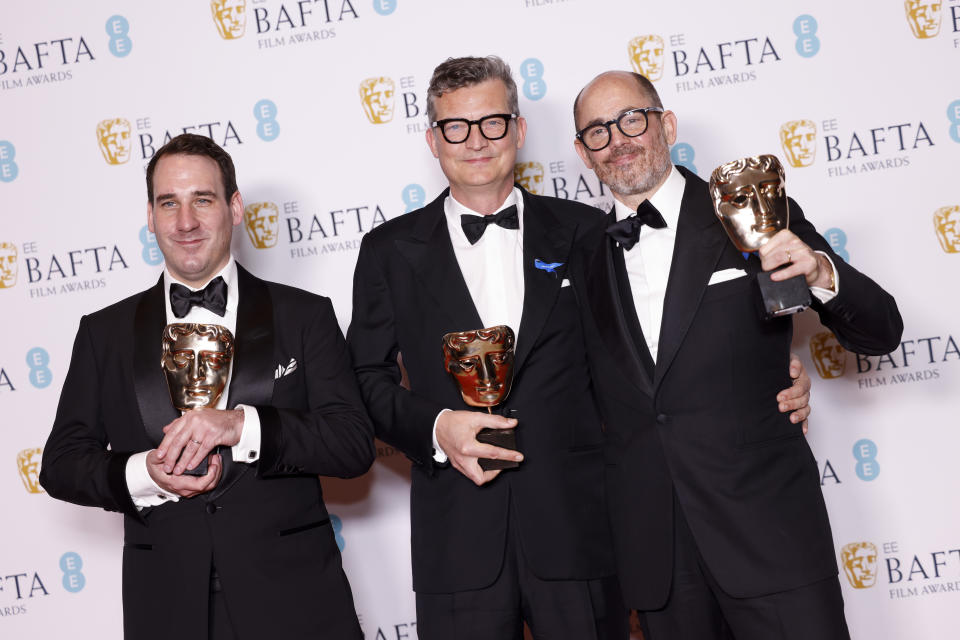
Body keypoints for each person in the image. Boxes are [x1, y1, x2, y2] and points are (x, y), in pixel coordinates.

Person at [347, 56, 811, 640]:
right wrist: (435, 426)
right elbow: (362, 378)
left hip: (582, 533)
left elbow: (654, 348)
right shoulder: (388, 250)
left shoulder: (590, 232)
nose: (475, 141)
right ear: (432, 141)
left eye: (492, 122)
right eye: (455, 128)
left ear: (518, 130)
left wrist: (770, 369)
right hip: (457, 542)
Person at [569, 70, 903, 640]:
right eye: (597, 131)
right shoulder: (581, 256)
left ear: (665, 124)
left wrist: (823, 272)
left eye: (631, 119)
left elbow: (880, 330)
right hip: (659, 561)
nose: (617, 140)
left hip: (770, 536)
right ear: (582, 152)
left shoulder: (753, 213)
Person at [40, 133, 373, 640]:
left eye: (203, 199)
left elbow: (352, 446)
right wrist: (144, 474)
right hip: (166, 608)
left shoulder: (305, 315)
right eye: (168, 203)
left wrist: (245, 426)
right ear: (150, 216)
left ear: (235, 207)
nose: (185, 222)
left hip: (297, 602)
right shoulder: (103, 333)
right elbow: (61, 464)